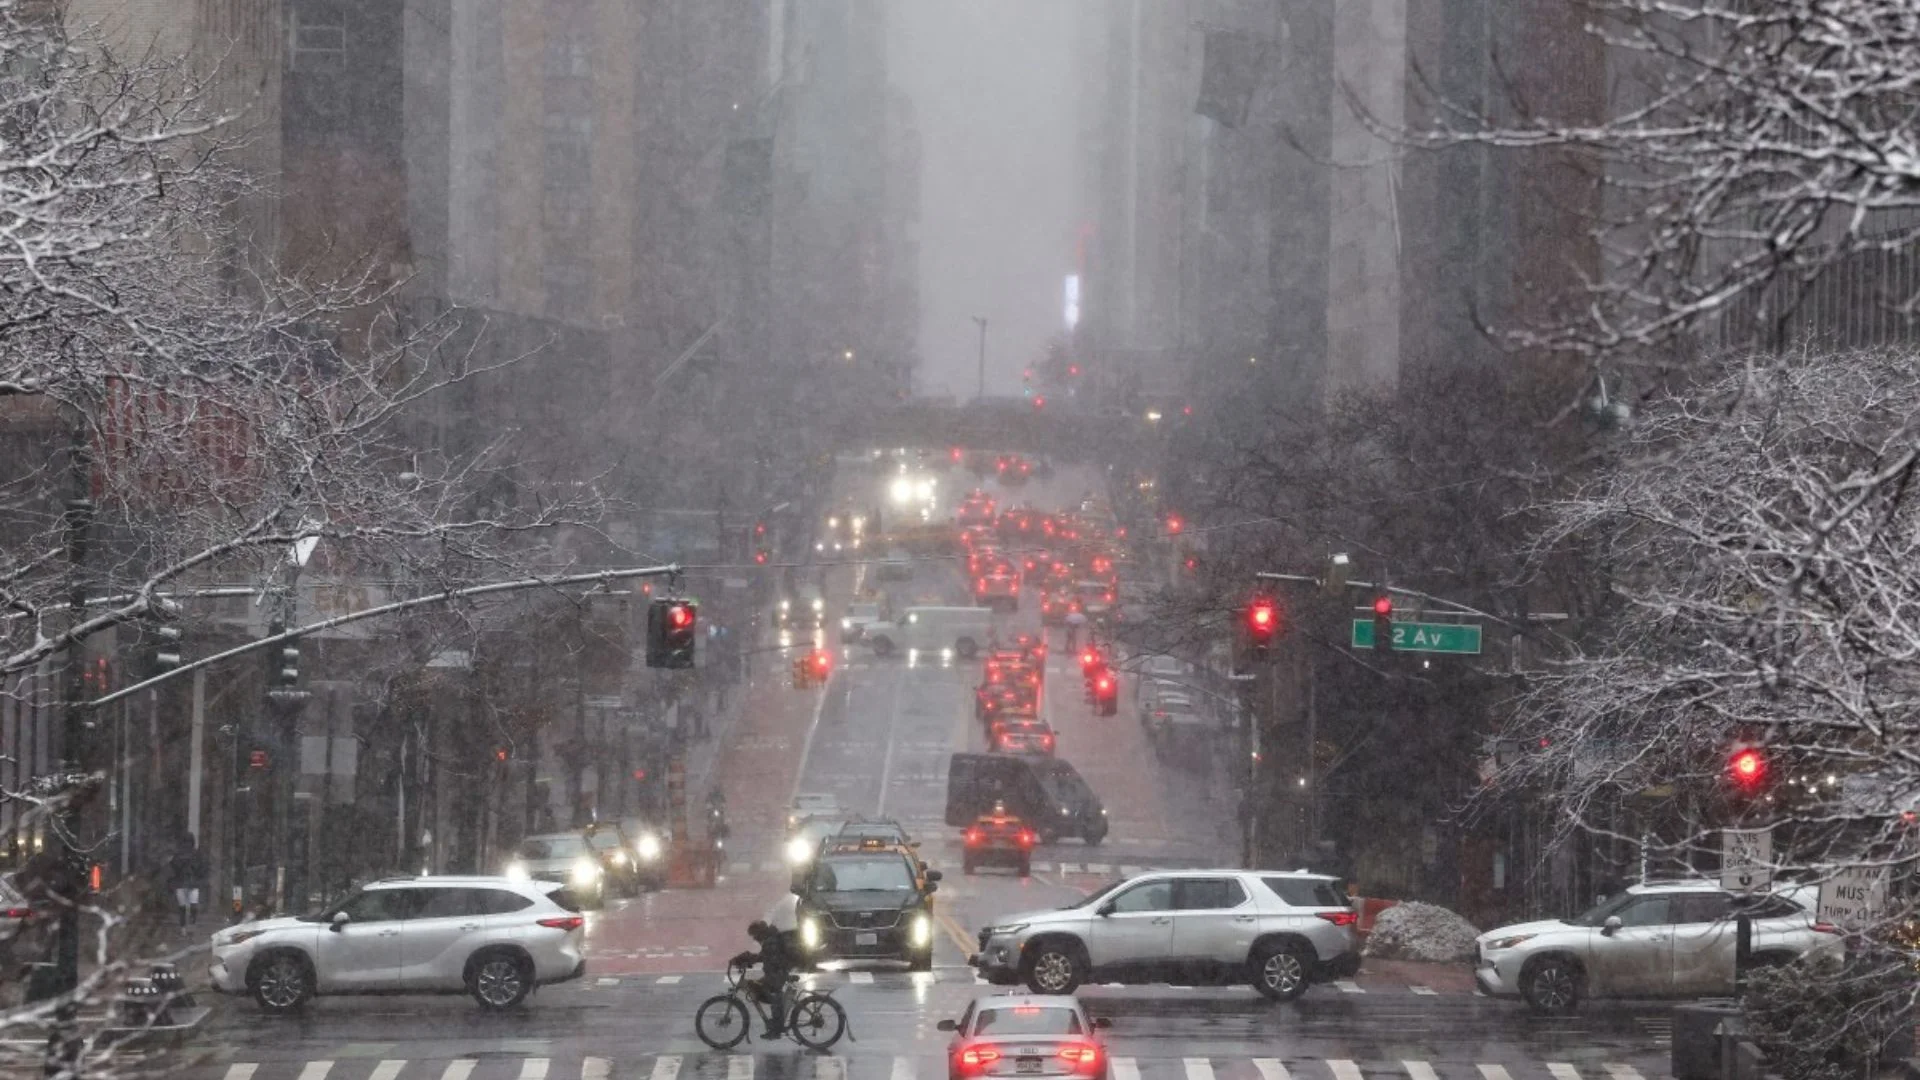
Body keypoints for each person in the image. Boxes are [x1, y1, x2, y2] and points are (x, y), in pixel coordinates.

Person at [731, 919, 800, 1037]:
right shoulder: (770, 939)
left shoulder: (770, 942)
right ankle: (776, 1023)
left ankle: (777, 1028)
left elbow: (766, 957)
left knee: (771, 993)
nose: (754, 939)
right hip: (776, 972)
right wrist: (747, 958)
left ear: (759, 933)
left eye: (754, 935)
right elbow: (763, 956)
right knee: (761, 988)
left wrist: (747, 959)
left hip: (777, 973)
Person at [165, 836, 207, 930]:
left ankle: (183, 926)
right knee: (193, 905)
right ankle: (192, 924)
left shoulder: (178, 855)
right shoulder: (197, 854)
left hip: (180, 883)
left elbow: (173, 868)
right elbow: (202, 868)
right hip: (193, 883)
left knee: (182, 907)